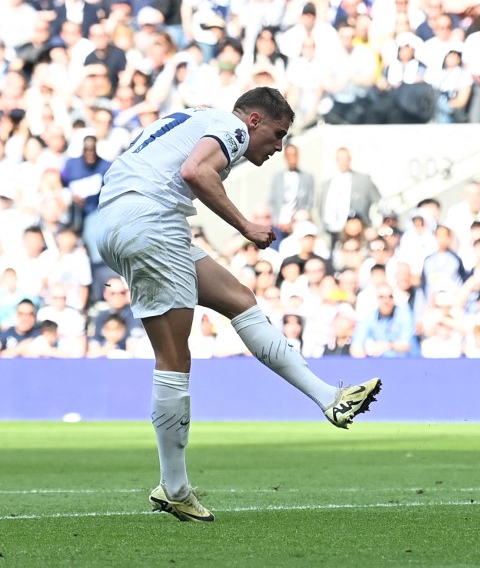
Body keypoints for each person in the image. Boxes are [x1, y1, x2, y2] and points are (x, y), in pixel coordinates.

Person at [93, 87, 382, 523]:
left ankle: (328, 397)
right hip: (149, 220)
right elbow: (194, 172)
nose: (279, 146)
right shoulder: (229, 127)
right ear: (254, 121)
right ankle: (174, 487)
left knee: (239, 300)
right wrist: (245, 224)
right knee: (173, 359)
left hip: (120, 221)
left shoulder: (195, 117)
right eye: (278, 134)